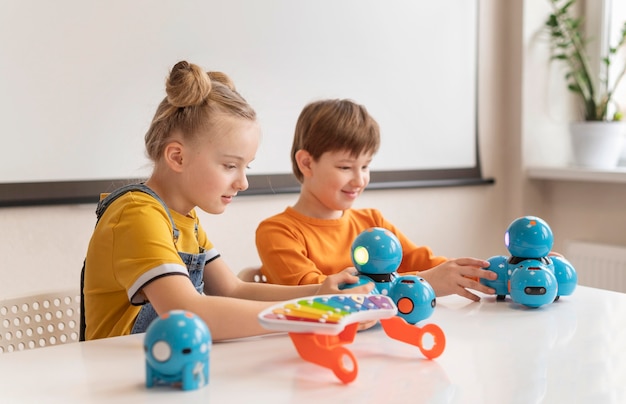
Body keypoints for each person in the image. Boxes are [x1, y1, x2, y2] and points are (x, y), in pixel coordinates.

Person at [82, 62, 373, 341]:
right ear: (177, 157)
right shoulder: (137, 215)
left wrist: (320, 294)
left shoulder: (185, 220)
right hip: (121, 377)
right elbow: (189, 312)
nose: (243, 182)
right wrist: (312, 313)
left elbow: (232, 290)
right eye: (230, 166)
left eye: (246, 167)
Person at [255, 99, 497, 302]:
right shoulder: (277, 232)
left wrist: (485, 275)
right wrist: (425, 282)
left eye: (366, 166)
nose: (359, 179)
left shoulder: (371, 221)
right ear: (307, 163)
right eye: (345, 167)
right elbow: (322, 294)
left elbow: (425, 262)